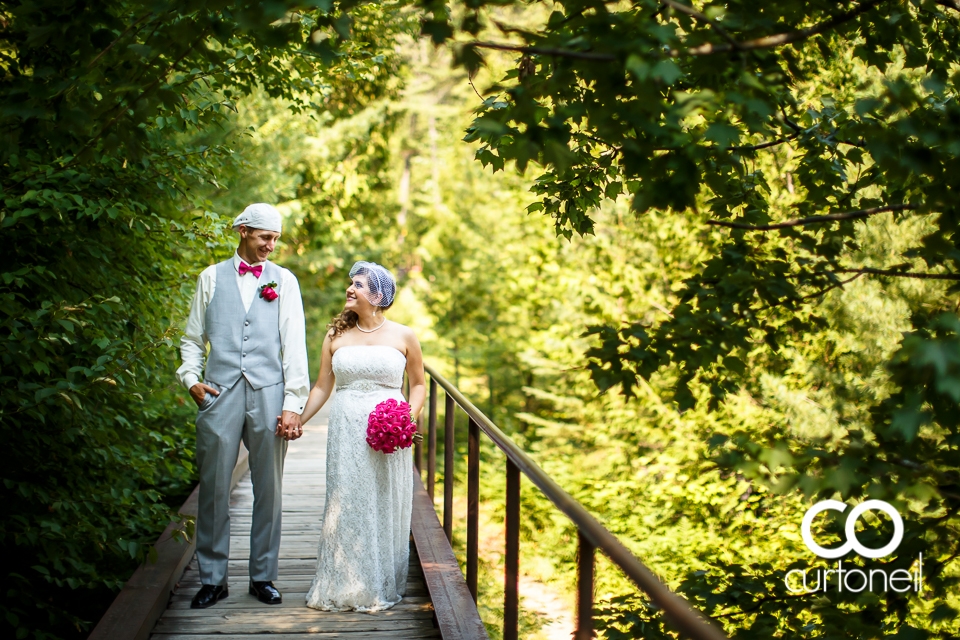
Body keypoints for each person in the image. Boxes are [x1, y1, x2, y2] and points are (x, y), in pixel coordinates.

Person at [176, 203, 309, 609]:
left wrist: (293, 403)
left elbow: (295, 347)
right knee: (214, 487)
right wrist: (191, 380)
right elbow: (191, 338)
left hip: (269, 392)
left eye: (276, 238)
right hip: (218, 393)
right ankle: (212, 579)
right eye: (264, 237)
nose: (271, 245)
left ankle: (263, 577)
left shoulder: (284, 280)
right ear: (243, 231)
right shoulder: (210, 277)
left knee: (269, 488)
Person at [295, 261, 425, 612]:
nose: (349, 289)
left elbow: (418, 385)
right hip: (346, 430)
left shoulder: (404, 335)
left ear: (378, 295)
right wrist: (300, 420)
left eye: (358, 284)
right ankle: (344, 580)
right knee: (348, 502)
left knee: (382, 501)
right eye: (350, 283)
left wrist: (405, 421)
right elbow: (323, 385)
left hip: (389, 434)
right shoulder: (336, 334)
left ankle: (379, 580)